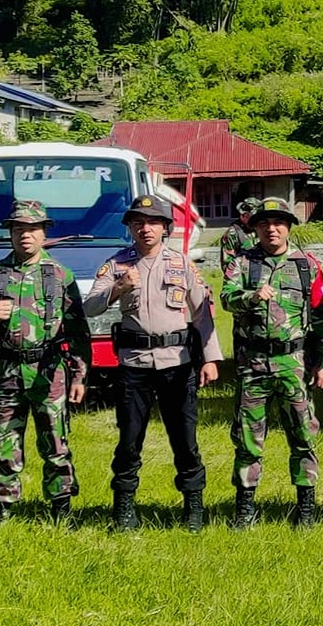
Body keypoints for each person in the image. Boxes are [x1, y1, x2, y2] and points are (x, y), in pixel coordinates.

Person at [83, 192, 222, 532]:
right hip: (135, 365)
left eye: (153, 223)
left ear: (165, 228)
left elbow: (203, 312)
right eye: (138, 222)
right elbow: (90, 307)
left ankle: (193, 509)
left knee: (185, 440)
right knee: (129, 441)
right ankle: (124, 510)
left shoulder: (182, 264)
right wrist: (117, 287)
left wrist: (211, 358)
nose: (146, 229)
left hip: (178, 363)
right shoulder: (117, 265)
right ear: (130, 227)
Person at [0, 200, 91, 524]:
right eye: (18, 229)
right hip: (8, 370)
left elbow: (78, 331)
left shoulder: (61, 275)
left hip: (49, 371)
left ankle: (61, 509)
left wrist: (79, 376)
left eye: (32, 229)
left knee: (56, 441)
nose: (25, 235)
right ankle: (1, 510)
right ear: (10, 232)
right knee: (5, 441)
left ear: (44, 233)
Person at [219, 197, 323, 528]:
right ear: (254, 228)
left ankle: (306, 508)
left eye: (279, 222)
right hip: (253, 362)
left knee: (303, 435)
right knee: (248, 437)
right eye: (265, 223)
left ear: (288, 227)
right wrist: (251, 296)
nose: (272, 228)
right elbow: (226, 299)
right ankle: (245, 508)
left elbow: (321, 317)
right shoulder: (242, 263)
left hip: (293, 363)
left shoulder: (306, 265)